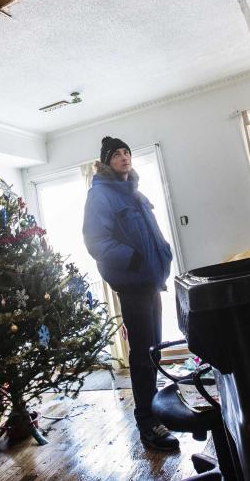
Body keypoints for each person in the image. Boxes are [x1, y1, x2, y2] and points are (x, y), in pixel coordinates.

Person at [82, 136, 179, 452]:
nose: (124, 157)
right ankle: (148, 424)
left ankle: (157, 410)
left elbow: (150, 233)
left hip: (151, 283)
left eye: (127, 152)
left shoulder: (134, 192)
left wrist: (162, 251)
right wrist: (132, 258)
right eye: (117, 154)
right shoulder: (100, 196)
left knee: (153, 351)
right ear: (107, 162)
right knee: (142, 354)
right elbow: (96, 241)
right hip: (134, 286)